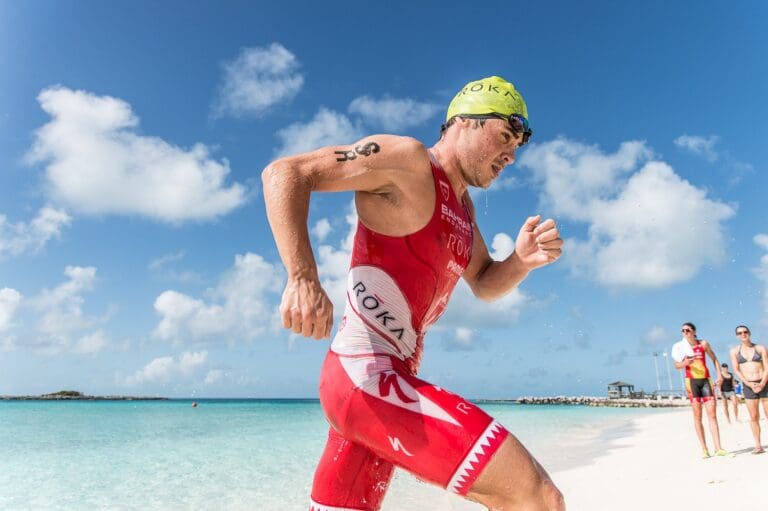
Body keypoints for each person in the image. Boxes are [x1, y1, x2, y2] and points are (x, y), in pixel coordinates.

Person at [262, 76, 565, 511]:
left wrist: (520, 261)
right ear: (465, 123)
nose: (511, 156)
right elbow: (287, 173)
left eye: (517, 145)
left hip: (382, 388)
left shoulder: (462, 208)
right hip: (366, 377)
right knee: (536, 498)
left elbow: (483, 283)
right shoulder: (407, 161)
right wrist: (302, 276)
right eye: (505, 136)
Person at [671, 322, 726, 458]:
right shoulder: (681, 347)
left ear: (694, 331)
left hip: (706, 380)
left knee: (712, 415)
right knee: (697, 416)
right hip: (691, 382)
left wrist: (719, 375)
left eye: (688, 330)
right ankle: (704, 449)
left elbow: (714, 359)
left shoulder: (703, 344)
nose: (685, 332)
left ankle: (718, 448)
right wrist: (685, 363)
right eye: (683, 330)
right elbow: (677, 365)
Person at [729, 325, 768, 454]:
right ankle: (758, 445)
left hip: (764, 382)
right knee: (754, 416)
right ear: (737, 336)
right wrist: (749, 384)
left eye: (745, 332)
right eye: (740, 333)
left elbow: (767, 367)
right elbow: (737, 370)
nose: (743, 334)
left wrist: (762, 383)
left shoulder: (760, 348)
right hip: (748, 385)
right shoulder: (734, 351)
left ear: (749, 333)